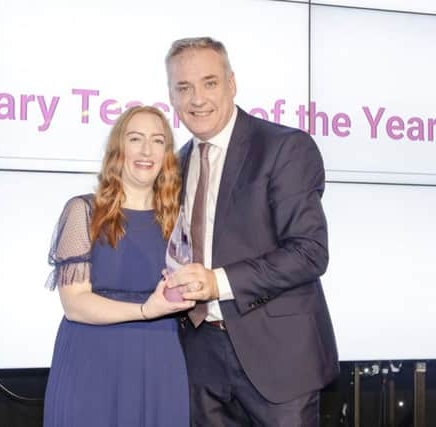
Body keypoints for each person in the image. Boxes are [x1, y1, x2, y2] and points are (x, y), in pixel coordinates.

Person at [165, 37, 339, 426]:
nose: (197, 99)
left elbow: (310, 251)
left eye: (209, 83)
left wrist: (217, 282)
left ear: (232, 83)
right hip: (200, 358)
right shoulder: (174, 165)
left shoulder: (283, 147)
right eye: (184, 87)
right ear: (171, 97)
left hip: (279, 360)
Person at [43, 105, 193, 427]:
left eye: (157, 141)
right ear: (118, 149)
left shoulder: (180, 220)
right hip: (92, 364)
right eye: (135, 138)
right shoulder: (84, 211)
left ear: (167, 153)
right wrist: (145, 311)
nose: (146, 150)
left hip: (160, 363)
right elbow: (75, 305)